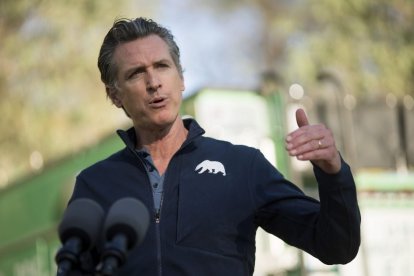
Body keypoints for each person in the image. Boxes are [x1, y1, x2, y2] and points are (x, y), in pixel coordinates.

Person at [67, 17, 360, 275]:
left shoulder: (242, 167)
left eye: (162, 66)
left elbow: (336, 247)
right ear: (114, 95)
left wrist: (333, 173)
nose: (153, 82)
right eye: (135, 73)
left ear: (181, 78)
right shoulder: (95, 186)